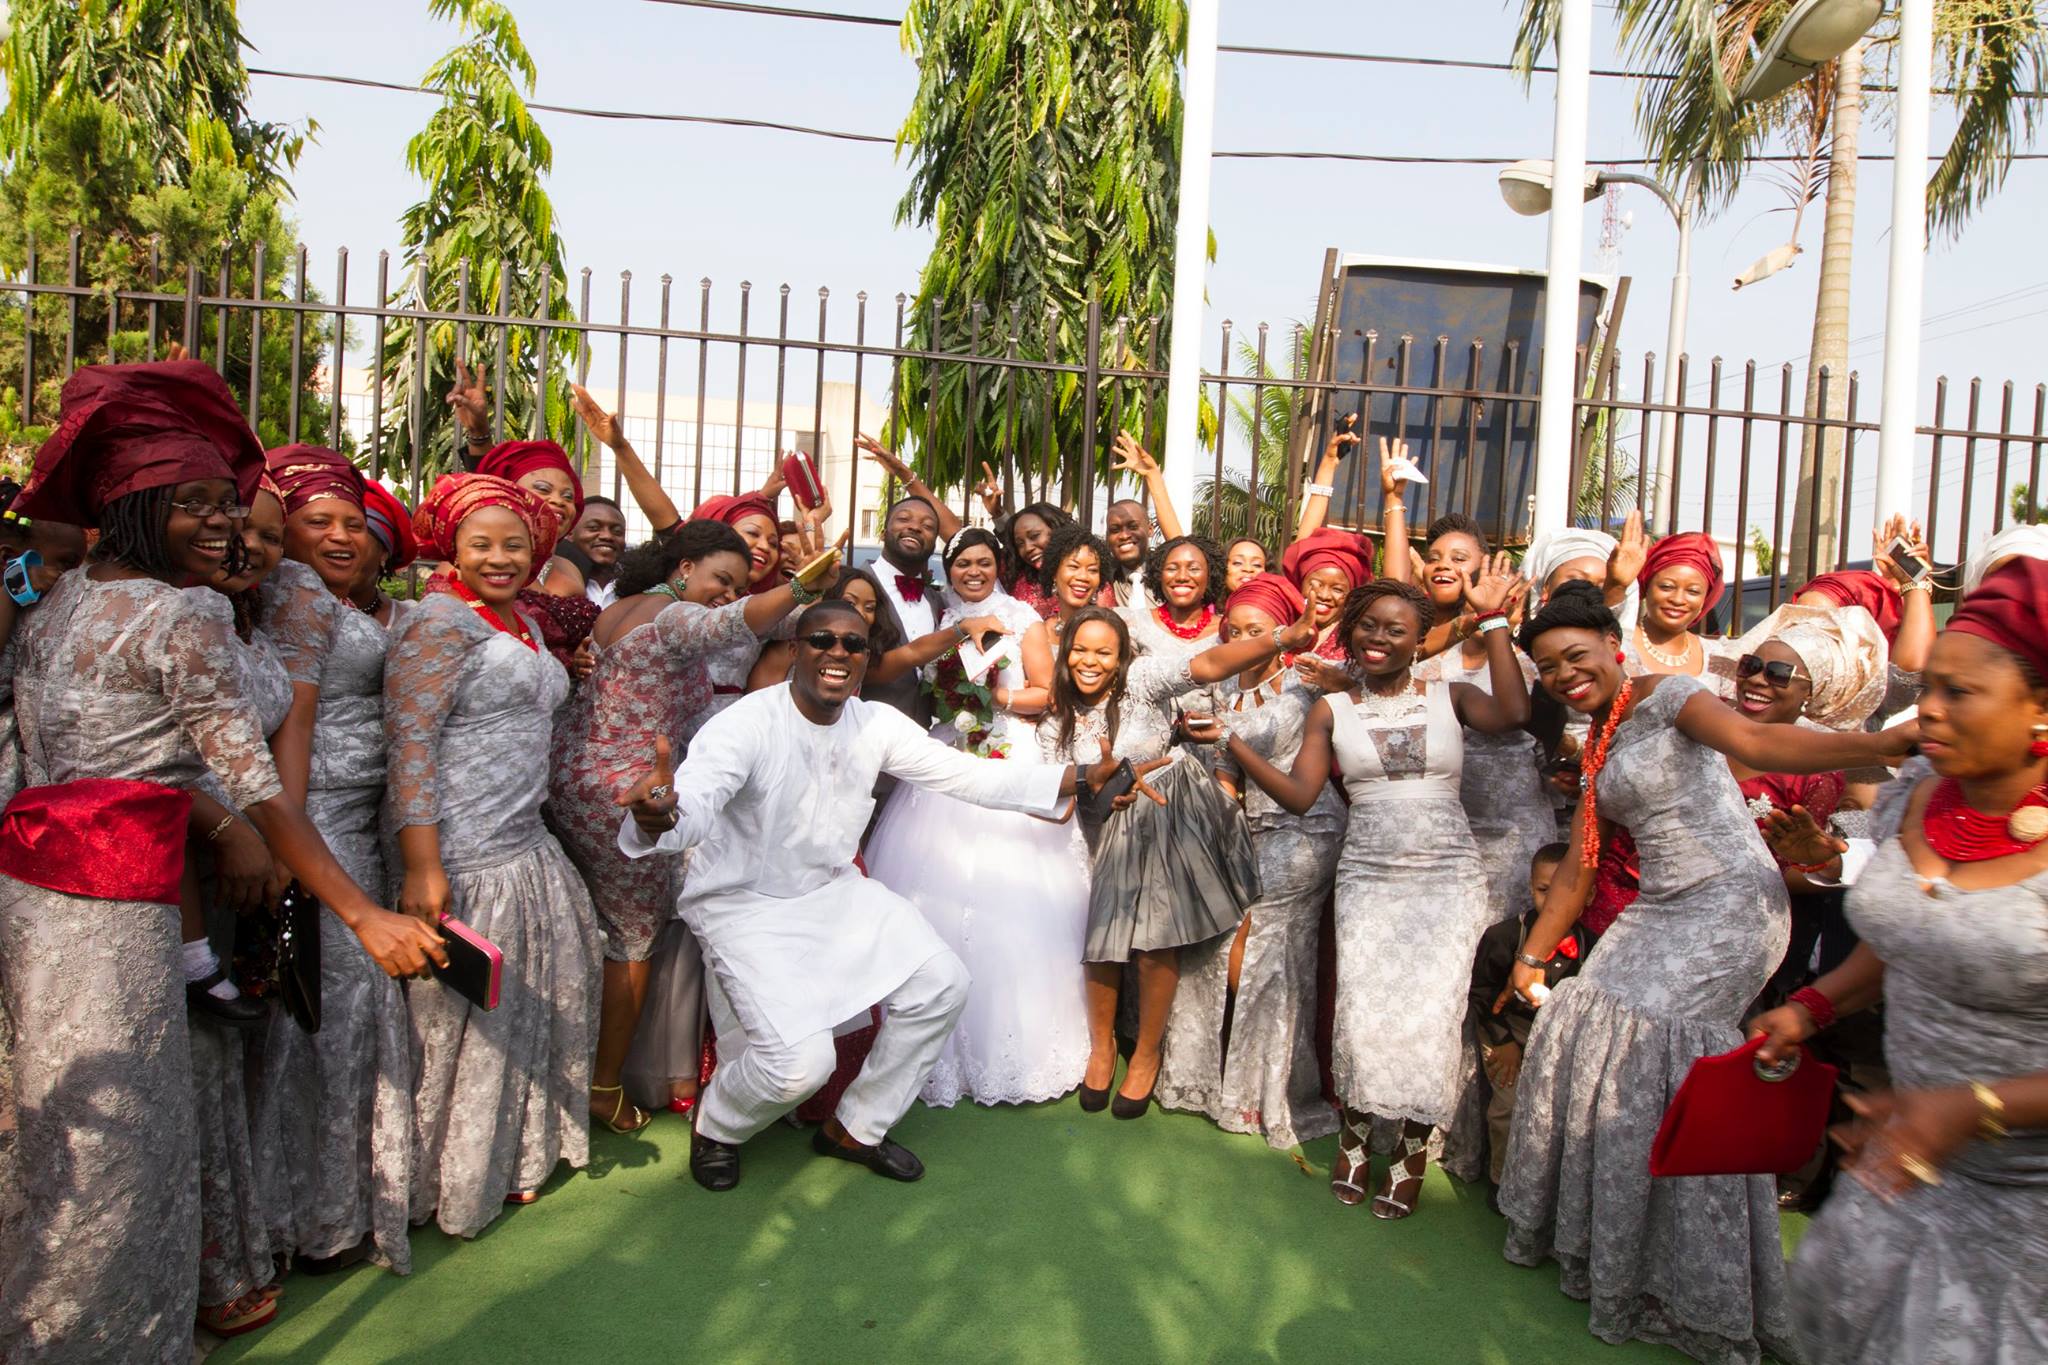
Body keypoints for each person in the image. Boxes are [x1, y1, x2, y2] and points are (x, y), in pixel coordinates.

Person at [0, 360, 443, 1364]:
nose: (221, 523)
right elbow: (262, 792)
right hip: (122, 913)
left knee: (53, 1137)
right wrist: (362, 913)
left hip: (36, 898)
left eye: (225, 503)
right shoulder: (184, 614)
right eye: (193, 503)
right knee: (123, 1154)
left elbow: (58, 760)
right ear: (132, 507)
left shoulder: (58, 600)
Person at [1497, 581, 1914, 1364]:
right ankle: (1617, 1245)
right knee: (1585, 1023)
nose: (1563, 675)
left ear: (1614, 646)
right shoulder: (1601, 739)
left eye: (1576, 656)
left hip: (1730, 907)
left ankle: (1698, 1279)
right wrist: (1529, 957)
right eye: (1548, 667)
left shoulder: (1671, 697)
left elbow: (1760, 743)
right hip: (1657, 906)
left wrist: (1885, 745)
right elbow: (1581, 866)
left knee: (1657, 1056)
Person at [614, 599, 1109, 1191]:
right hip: (743, 904)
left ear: (865, 660)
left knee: (942, 985)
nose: (838, 652)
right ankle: (717, 1126)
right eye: (822, 640)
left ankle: (856, 1128)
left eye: (853, 644)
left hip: (833, 892)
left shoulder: (875, 723)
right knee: (802, 1066)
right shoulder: (746, 723)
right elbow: (694, 800)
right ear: (795, 651)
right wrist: (660, 816)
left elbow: (967, 776)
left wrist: (1081, 777)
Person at [1747, 556, 2048, 1365]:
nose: (1930, 708)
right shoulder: (1920, 782)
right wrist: (1811, 1007)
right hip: (1906, 1165)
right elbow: (1915, 935)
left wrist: (1971, 1107)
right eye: (1930, 685)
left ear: (2042, 707)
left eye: (1961, 691)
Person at [1224, 572, 1529, 1218]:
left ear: (1420, 639)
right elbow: (1300, 795)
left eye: (1396, 629)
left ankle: (1413, 1151)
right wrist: (1232, 745)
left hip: (1448, 878)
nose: (1380, 638)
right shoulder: (1332, 708)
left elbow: (1514, 713)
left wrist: (1493, 619)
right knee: (1363, 1010)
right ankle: (1358, 1139)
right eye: (1368, 625)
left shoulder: (1452, 696)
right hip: (1368, 873)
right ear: (1350, 629)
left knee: (1433, 1015)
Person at [547, 519, 836, 1135]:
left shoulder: (620, 607)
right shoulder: (675, 617)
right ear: (683, 569)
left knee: (600, 929)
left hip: (568, 780)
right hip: (621, 797)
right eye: (720, 580)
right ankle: (604, 1088)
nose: (727, 595)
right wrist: (801, 587)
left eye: (736, 586)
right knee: (632, 942)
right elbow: (730, 625)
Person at [387, 473, 602, 1236]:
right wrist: (424, 864)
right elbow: (410, 744)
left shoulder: (524, 622)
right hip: (463, 847)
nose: (500, 557)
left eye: (514, 544)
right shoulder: (438, 620)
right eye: (481, 544)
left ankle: (511, 1157)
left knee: (528, 1002)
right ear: (453, 548)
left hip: (525, 837)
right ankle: (445, 1179)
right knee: (458, 1021)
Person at [1038, 604, 1317, 1119]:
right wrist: (1103, 788)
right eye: (1079, 650)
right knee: (1102, 944)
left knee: (1153, 943)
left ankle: (1146, 1056)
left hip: (1169, 817)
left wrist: (1282, 638)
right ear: (1065, 654)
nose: (1090, 661)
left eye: (1104, 652)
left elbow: (1208, 665)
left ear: (1122, 658)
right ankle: (1102, 1049)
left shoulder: (1141, 682)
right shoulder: (1054, 720)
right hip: (1105, 835)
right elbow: (1062, 797)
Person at [863, 528, 1087, 1107]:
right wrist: (957, 704)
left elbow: (1048, 693)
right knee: (929, 888)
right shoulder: (942, 616)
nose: (973, 572)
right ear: (950, 568)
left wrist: (989, 699)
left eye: (983, 562)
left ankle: (1012, 1043)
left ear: (998, 565)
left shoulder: (1020, 618)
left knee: (1006, 893)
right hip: (945, 753)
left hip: (1006, 749)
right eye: (962, 562)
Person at [1157, 573, 1341, 1149]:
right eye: (1233, 630)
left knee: (1258, 946)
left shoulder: (1306, 681)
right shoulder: (1220, 686)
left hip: (1303, 829)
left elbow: (1366, 685)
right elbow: (1224, 772)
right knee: (1209, 939)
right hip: (1240, 827)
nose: (1243, 639)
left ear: (1284, 631)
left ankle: (1269, 1094)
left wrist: (1227, 745)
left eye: (1256, 629)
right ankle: (1200, 1082)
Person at [1467, 844, 1584, 1190]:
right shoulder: (1503, 937)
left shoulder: (1592, 945)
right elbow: (1482, 993)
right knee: (1509, 1107)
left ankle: (1545, 1187)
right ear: (1531, 888)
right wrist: (1503, 1043)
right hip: (1507, 1033)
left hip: (1558, 1041)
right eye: (1544, 890)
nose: (1552, 902)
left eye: (1563, 893)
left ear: (1588, 895)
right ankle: (1501, 1183)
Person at [865, 492, 945, 723]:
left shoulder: (937, 601)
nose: (915, 527)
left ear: (933, 544)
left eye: (927, 526)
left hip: (921, 730)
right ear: (883, 532)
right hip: (865, 727)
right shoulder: (857, 585)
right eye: (903, 519)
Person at [1626, 530, 1739, 690]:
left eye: (1693, 591)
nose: (1678, 600)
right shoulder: (1620, 642)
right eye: (1667, 587)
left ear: (1706, 598)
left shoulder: (1717, 654)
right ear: (1647, 587)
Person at [1102, 435, 1186, 609]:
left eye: (1133, 526)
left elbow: (1180, 546)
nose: (1124, 535)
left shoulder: (1167, 570)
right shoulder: (1103, 576)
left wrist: (1152, 476)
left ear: (1150, 529)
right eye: (1115, 530)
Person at [999, 500, 1076, 618]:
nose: (1027, 548)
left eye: (1034, 536)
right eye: (1020, 544)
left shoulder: (1087, 577)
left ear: (1057, 530)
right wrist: (997, 513)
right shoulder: (1016, 577)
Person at [563, 496, 628, 608]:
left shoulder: (637, 588)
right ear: (569, 533)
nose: (607, 536)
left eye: (617, 531)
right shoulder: (555, 582)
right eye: (594, 527)